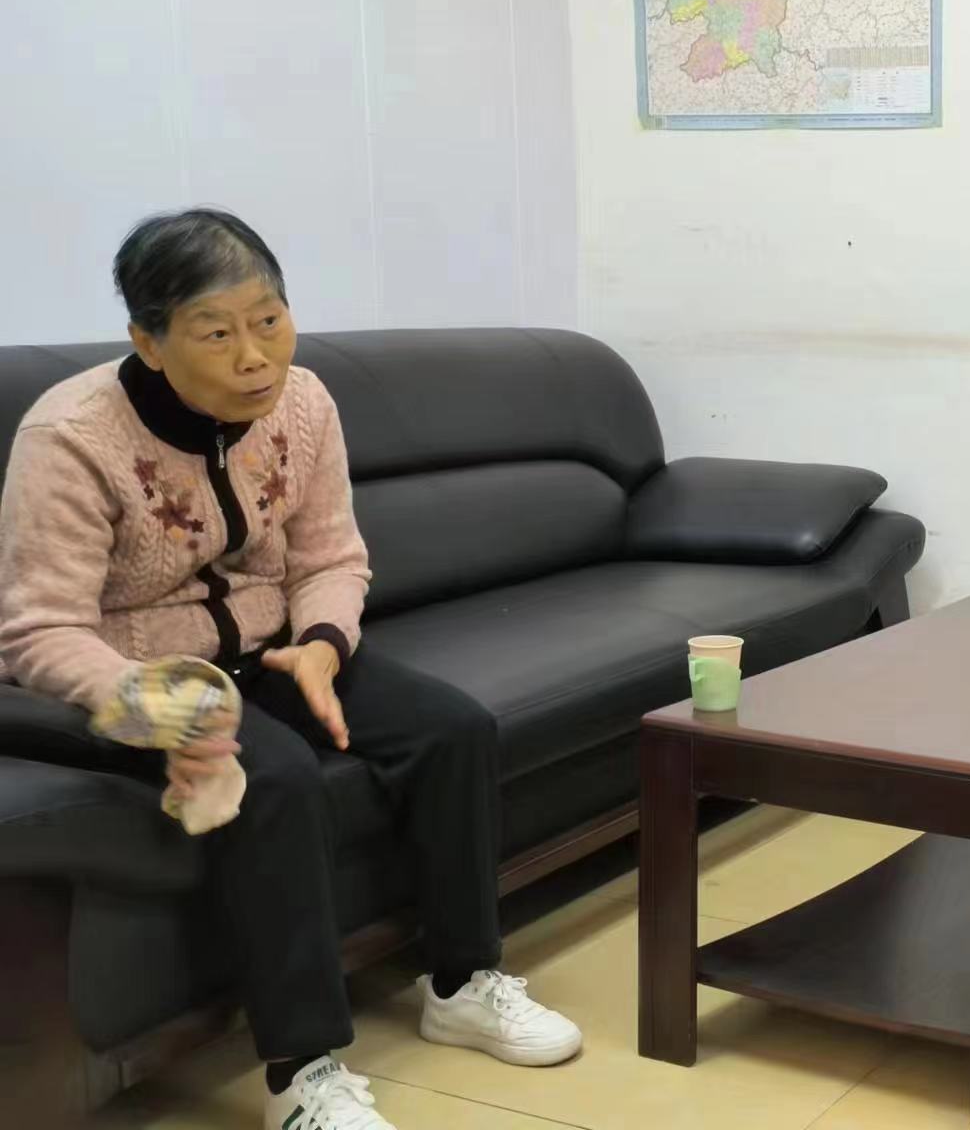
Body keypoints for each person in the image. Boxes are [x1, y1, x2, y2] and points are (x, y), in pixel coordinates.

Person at [0, 210, 585, 1130]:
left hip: (277, 646)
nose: (255, 358)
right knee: (275, 779)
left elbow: (331, 558)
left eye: (269, 321)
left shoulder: (304, 402)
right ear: (148, 342)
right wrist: (151, 700)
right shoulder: (70, 436)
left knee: (452, 728)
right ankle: (300, 1073)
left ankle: (462, 982)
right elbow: (39, 629)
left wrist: (322, 645)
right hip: (145, 683)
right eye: (216, 333)